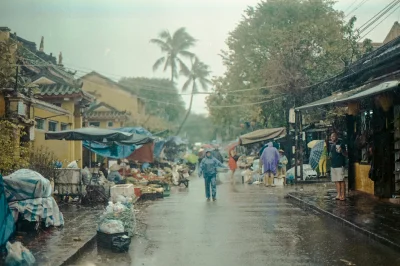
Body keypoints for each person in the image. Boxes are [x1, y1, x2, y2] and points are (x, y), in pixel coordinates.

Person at [329, 132, 347, 201]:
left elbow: (345, 154)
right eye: (331, 137)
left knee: (341, 180)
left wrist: (341, 150)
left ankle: (343, 195)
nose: (332, 138)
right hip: (333, 165)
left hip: (340, 165)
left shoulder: (341, 144)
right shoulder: (332, 145)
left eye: (333, 136)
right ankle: (338, 194)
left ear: (336, 137)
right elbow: (332, 154)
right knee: (336, 180)